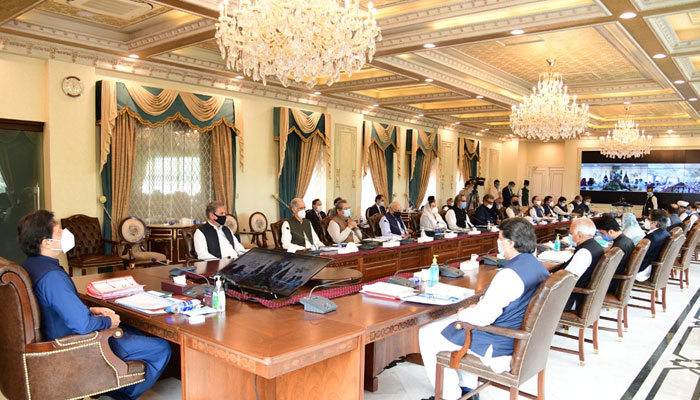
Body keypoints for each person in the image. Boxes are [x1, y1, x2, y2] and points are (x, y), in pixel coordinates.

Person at [18, 210, 171, 400]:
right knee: (161, 347)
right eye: (59, 231)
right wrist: (108, 321)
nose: (65, 233)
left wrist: (89, 309)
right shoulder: (52, 277)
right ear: (46, 242)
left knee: (133, 330)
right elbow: (83, 325)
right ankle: (119, 394)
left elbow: (53, 307)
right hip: (77, 345)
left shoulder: (30, 267)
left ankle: (106, 387)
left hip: (58, 334)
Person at [418, 218, 550, 400]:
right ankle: (468, 390)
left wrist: (463, 312)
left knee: (427, 332)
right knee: (453, 325)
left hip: (500, 341)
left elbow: (482, 318)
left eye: (500, 239)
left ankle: (448, 395)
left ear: (511, 243)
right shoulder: (538, 266)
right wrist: (479, 307)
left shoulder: (510, 275)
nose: (498, 243)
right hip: (518, 336)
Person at [561, 218, 605, 311]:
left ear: (580, 235)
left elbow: (566, 280)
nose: (570, 236)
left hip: (572, 297)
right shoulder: (596, 246)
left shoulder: (584, 252)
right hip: (582, 291)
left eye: (571, 234)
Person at [596, 215, 635, 293]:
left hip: (612, 283)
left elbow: (609, 268)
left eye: (602, 233)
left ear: (611, 231)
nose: (602, 236)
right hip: (618, 279)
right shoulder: (626, 241)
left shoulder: (618, 247)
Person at [636, 210, 671, 282]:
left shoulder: (652, 237)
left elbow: (640, 255)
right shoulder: (665, 233)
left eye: (648, 219)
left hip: (642, 270)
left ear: (655, 223)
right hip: (651, 267)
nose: (646, 221)